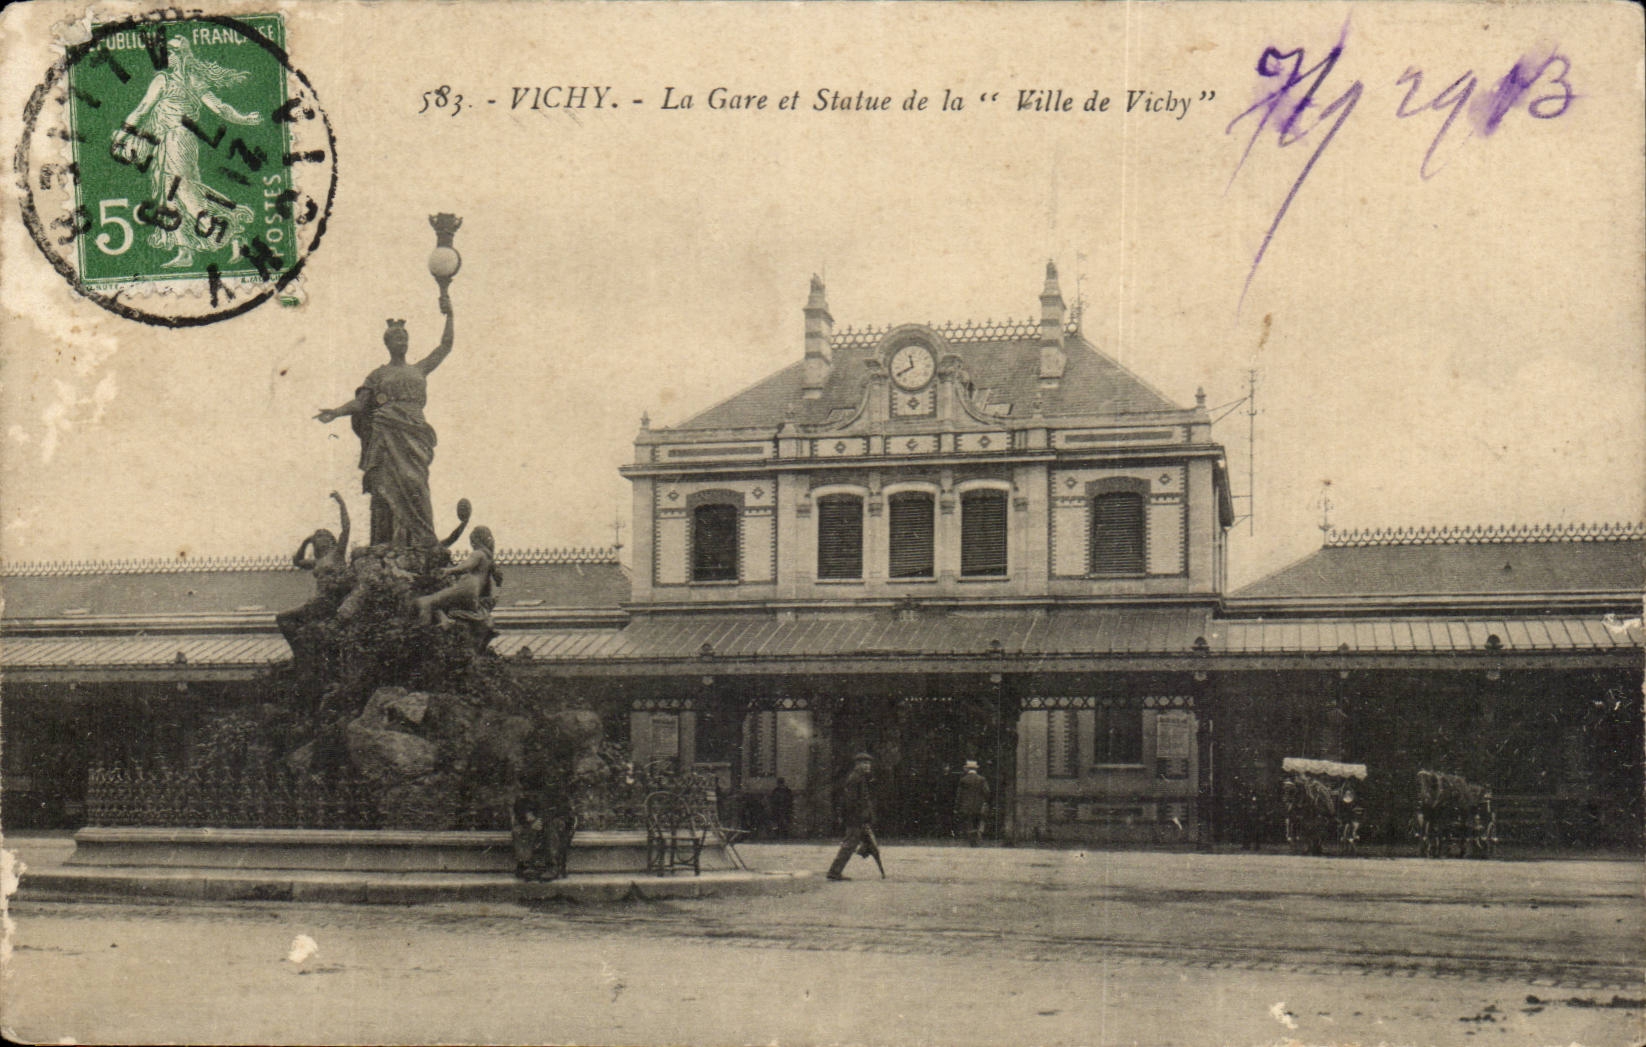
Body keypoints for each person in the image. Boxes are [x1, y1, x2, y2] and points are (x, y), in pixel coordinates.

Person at [315, 293, 455, 549]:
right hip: (386, 435)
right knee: (384, 487)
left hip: (414, 434)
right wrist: (336, 411)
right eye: (397, 338)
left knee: (416, 484)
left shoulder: (419, 369)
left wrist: (450, 315)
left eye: (405, 337)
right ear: (387, 343)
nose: (402, 341)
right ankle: (385, 543)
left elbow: (445, 347)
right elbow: (360, 404)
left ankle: (422, 542)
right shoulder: (378, 375)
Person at [111, 36, 260, 269]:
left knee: (183, 190)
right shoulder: (193, 80)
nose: (167, 56)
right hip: (174, 140)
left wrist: (120, 136)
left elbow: (141, 110)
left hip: (176, 139)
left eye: (171, 52)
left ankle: (230, 231)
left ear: (180, 56)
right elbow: (220, 108)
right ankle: (186, 250)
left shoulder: (164, 80)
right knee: (169, 194)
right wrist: (243, 118)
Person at [826, 752, 876, 881]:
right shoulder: (855, 778)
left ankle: (835, 871)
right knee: (849, 844)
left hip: (857, 817)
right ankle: (834, 872)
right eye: (864, 763)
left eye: (869, 763)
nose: (868, 766)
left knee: (852, 844)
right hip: (855, 818)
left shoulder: (859, 777)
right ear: (857, 764)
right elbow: (851, 801)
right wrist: (861, 816)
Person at [953, 759, 990, 847]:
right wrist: (985, 801)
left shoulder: (963, 780)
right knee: (977, 822)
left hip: (966, 806)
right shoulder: (982, 779)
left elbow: (959, 795)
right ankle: (977, 839)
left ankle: (972, 841)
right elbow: (987, 792)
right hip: (978, 806)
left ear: (967, 769)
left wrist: (956, 807)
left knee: (969, 823)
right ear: (976, 769)